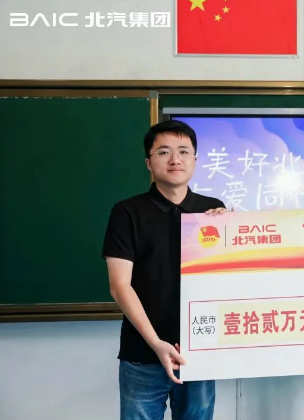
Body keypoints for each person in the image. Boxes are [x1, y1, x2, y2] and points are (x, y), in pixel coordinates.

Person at [102, 120, 227, 420]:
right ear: (149, 162)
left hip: (197, 351)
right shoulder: (127, 212)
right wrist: (156, 343)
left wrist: (232, 230)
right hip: (142, 354)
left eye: (184, 151)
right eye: (163, 152)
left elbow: (228, 279)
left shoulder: (213, 210)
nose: (175, 159)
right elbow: (120, 286)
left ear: (195, 159)